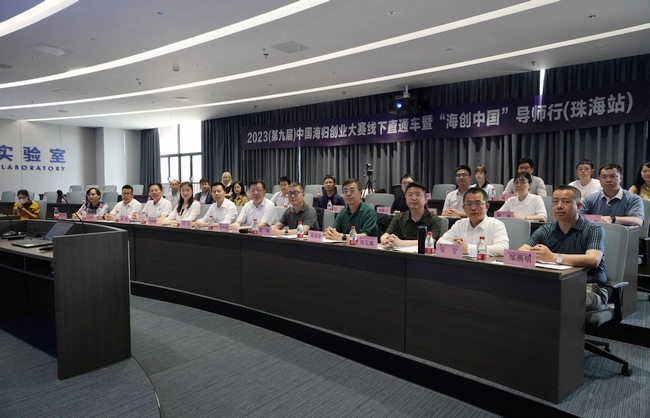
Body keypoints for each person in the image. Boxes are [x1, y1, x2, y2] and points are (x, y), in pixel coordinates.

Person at [519, 185, 608, 311]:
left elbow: (593, 260)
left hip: (588, 287)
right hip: (554, 285)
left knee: (557, 300)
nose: (559, 206)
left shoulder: (593, 230)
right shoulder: (545, 230)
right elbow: (522, 252)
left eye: (566, 201)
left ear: (579, 206)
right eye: (555, 201)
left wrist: (553, 257)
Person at [437, 187, 509, 256]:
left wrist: (468, 248)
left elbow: (503, 248)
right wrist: (456, 245)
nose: (473, 208)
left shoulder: (496, 224)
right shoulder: (459, 224)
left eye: (478, 204)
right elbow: (440, 242)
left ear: (487, 207)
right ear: (464, 208)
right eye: (469, 204)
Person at [579, 163, 644, 226]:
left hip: (621, 233)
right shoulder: (590, 198)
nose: (608, 180)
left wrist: (612, 219)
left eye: (613, 176)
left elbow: (638, 221)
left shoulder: (633, 198)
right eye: (604, 177)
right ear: (599, 179)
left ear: (621, 178)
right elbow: (578, 218)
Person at [381, 182, 441, 246]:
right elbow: (385, 235)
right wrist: (386, 240)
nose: (413, 198)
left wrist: (400, 243)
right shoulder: (399, 217)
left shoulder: (434, 220)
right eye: (410, 195)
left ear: (425, 199)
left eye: (417, 195)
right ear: (405, 197)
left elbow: (429, 241)